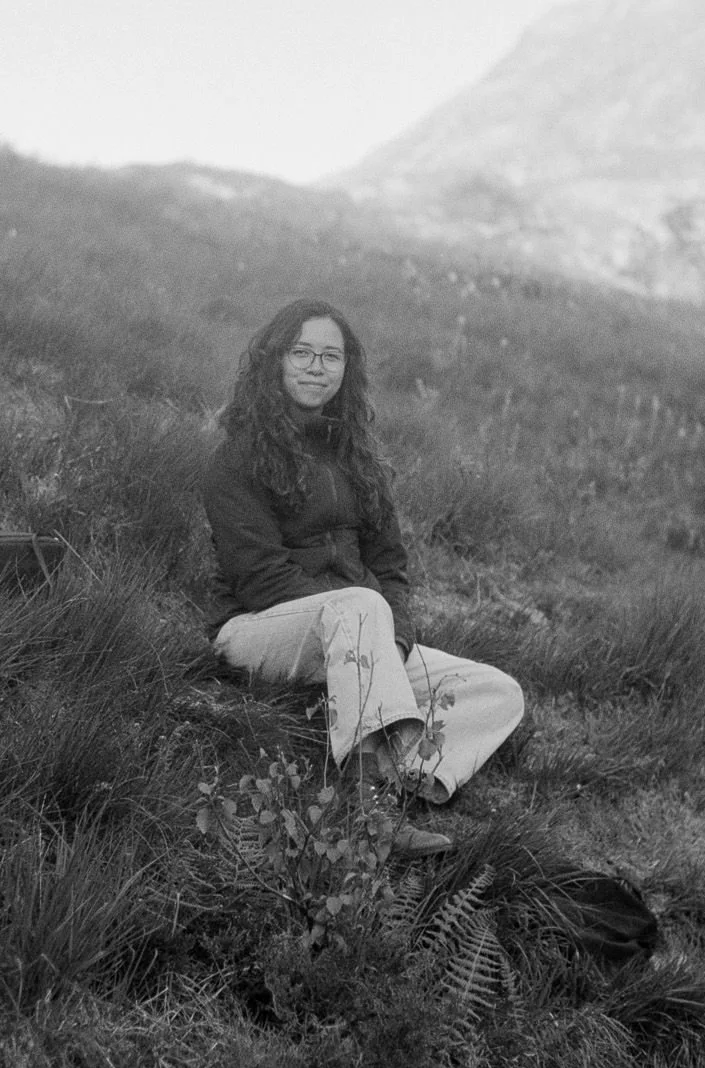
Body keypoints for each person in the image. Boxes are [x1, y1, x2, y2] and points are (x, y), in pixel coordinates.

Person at [201, 298, 527, 857]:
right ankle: (364, 809)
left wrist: (390, 640)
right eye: (300, 352)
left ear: (346, 369)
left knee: (498, 693)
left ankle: (396, 772)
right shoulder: (235, 459)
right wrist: (362, 621)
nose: (314, 366)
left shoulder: (359, 461)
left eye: (330, 355)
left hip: (360, 634)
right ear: (274, 362)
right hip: (258, 632)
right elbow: (259, 580)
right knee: (359, 605)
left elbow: (392, 568)